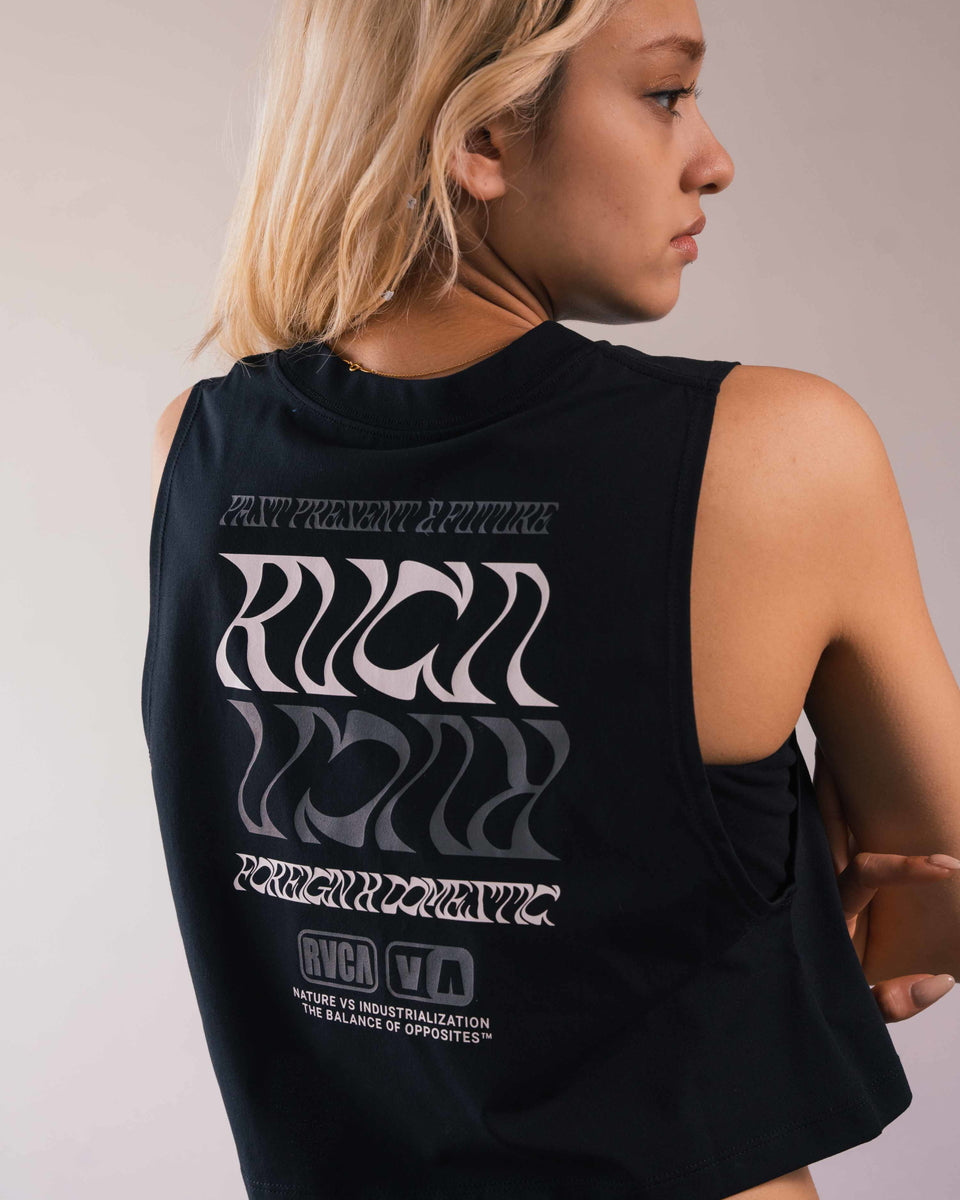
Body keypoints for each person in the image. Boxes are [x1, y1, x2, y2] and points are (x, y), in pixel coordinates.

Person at [145, 1, 960, 1197]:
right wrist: (788, 869)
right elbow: (929, 888)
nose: (714, 160)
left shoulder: (196, 455)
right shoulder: (772, 454)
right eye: (666, 94)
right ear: (481, 136)